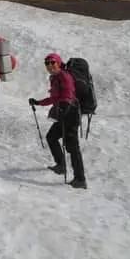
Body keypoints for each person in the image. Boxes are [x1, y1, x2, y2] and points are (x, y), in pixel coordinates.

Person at [29, 53, 87, 189]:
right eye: (47, 63)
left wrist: (64, 108)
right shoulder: (54, 78)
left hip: (71, 114)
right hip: (63, 113)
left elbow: (68, 94)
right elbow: (54, 98)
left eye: (52, 62)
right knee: (51, 137)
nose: (49, 65)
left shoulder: (64, 76)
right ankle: (61, 165)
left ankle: (80, 179)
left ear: (59, 63)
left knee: (73, 148)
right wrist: (38, 102)